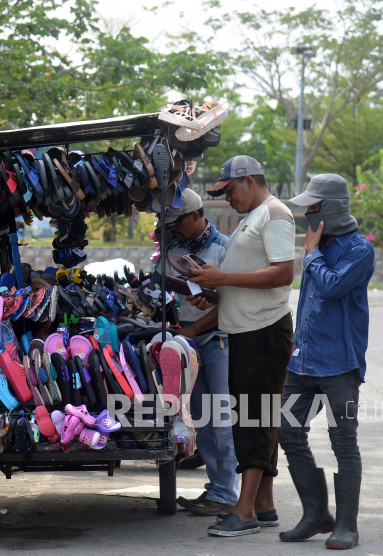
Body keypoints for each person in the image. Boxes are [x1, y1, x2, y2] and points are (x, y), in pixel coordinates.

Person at [188, 155, 296, 537]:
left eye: (230, 190)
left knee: (254, 421)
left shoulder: (275, 214)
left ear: (249, 181)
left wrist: (224, 276)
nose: (227, 198)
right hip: (248, 330)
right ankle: (263, 506)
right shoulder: (255, 215)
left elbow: (284, 272)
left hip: (265, 333)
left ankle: (245, 510)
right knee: (256, 418)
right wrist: (219, 293)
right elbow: (253, 277)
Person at [277, 174, 374, 549]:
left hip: (339, 366)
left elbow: (332, 286)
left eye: (312, 207)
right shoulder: (318, 244)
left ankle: (347, 524)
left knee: (343, 442)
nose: (306, 213)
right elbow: (308, 303)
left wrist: (312, 253)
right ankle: (316, 513)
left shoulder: (358, 250)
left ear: (331, 209)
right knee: (287, 429)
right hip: (303, 364)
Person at [158, 188, 239, 516]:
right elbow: (163, 290)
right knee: (203, 423)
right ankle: (216, 491)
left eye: (177, 223)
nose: (173, 230)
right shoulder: (174, 248)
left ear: (195, 216)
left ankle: (227, 494)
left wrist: (193, 328)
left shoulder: (226, 247)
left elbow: (232, 304)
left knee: (222, 422)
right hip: (187, 343)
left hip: (217, 342)